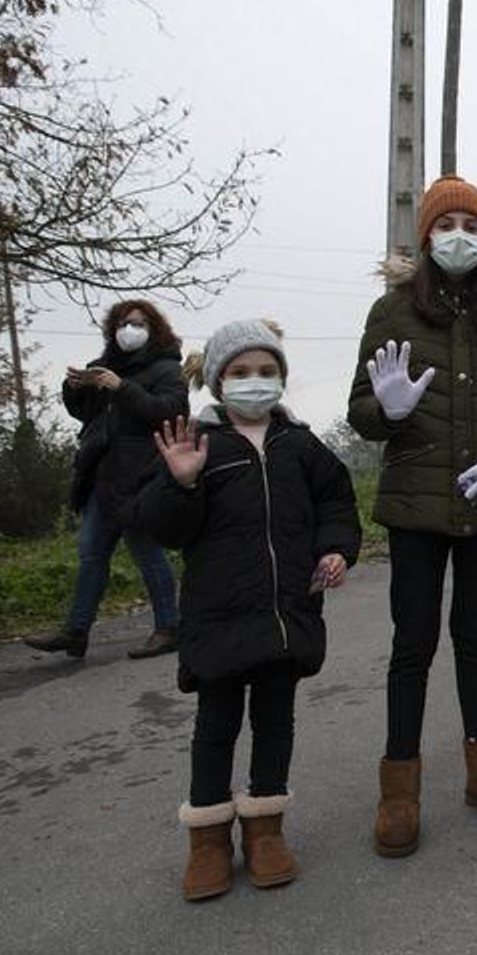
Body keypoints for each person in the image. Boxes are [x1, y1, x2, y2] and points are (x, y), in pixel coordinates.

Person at [348, 175, 477, 859]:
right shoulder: (392, 312)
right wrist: (388, 410)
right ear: (426, 236)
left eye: (472, 226)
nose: (459, 237)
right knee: (413, 642)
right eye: (446, 225)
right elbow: (360, 410)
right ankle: (398, 790)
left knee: (476, 635)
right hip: (416, 505)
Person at [135, 319, 360, 901]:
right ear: (217, 381)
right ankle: (208, 841)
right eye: (240, 372)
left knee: (275, 723)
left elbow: (336, 503)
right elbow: (166, 529)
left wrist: (336, 549)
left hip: (287, 614)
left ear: (281, 377)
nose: (254, 381)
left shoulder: (302, 445)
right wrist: (182, 483)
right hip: (219, 615)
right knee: (216, 727)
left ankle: (266, 830)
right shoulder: (198, 444)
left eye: (265, 370)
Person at [23, 300, 186, 660]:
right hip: (101, 476)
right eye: (123, 323)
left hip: (141, 477)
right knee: (91, 553)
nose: (130, 330)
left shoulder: (166, 369)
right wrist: (75, 388)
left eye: (139, 324)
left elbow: (171, 413)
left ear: (154, 329)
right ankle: (76, 631)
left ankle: (169, 628)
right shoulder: (105, 366)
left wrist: (122, 387)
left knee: (146, 552)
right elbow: (87, 414)